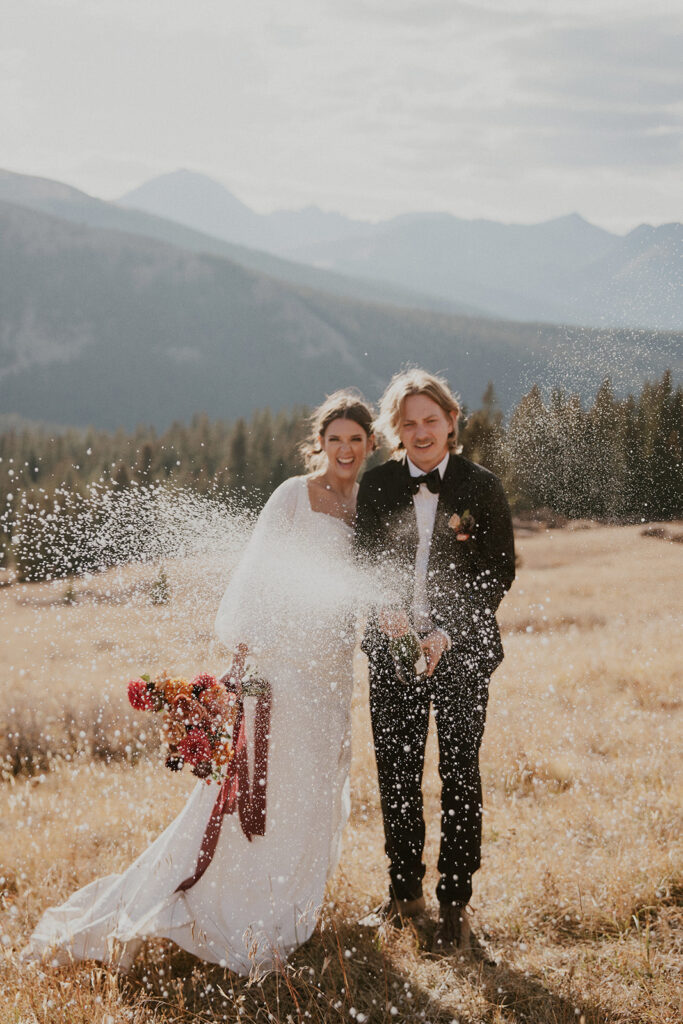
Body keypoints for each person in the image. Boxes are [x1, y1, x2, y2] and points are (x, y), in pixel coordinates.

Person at [23, 390, 375, 975]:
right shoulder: (293, 496)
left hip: (333, 673)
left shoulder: (365, 506)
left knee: (312, 795)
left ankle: (289, 913)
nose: (344, 449)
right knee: (267, 794)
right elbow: (257, 577)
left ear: (369, 445)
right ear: (319, 443)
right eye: (334, 438)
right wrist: (246, 660)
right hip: (281, 669)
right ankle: (241, 914)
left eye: (355, 439)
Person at [354, 369, 515, 952]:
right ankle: (404, 898)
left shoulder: (482, 487)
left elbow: (498, 573)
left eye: (431, 420)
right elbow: (363, 566)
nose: (421, 432)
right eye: (409, 422)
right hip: (393, 654)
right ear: (395, 430)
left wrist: (447, 632)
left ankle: (454, 906)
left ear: (451, 420)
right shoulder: (375, 488)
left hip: (463, 652)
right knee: (397, 779)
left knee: (460, 777)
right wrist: (388, 614)